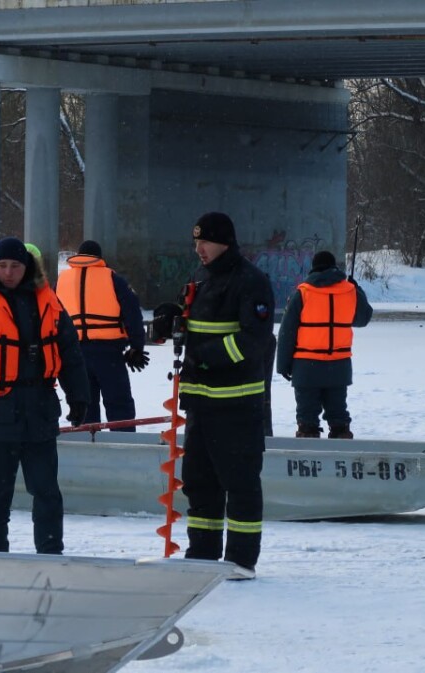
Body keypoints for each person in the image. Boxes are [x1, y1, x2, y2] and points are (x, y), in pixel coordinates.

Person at [0, 237, 90, 554]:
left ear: (27, 268)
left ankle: (50, 553)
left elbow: (69, 353)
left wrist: (79, 396)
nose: (9, 272)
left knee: (47, 491)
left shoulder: (49, 301)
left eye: (16, 266)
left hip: (38, 411)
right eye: (3, 266)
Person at [150, 212, 274, 580]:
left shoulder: (251, 282)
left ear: (225, 242)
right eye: (195, 243)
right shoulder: (202, 278)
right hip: (201, 403)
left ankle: (240, 560)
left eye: (205, 242)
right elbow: (196, 323)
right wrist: (174, 316)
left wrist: (207, 358)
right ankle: (202, 553)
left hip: (236, 404)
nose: (199, 249)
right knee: (200, 482)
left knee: (239, 482)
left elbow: (253, 341)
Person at [275, 250, 373, 439]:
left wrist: (283, 365)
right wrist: (356, 289)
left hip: (306, 366)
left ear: (313, 268)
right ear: (334, 267)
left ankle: (308, 453)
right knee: (338, 416)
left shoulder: (303, 292)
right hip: (338, 366)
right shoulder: (349, 291)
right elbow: (363, 318)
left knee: (307, 419)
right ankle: (341, 450)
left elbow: (287, 331)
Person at [54, 239, 149, 430]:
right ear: (99, 257)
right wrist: (137, 346)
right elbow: (132, 313)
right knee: (119, 405)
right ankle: (123, 445)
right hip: (109, 353)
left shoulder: (61, 281)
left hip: (74, 355)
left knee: (84, 406)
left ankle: (88, 450)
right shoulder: (113, 279)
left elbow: (51, 316)